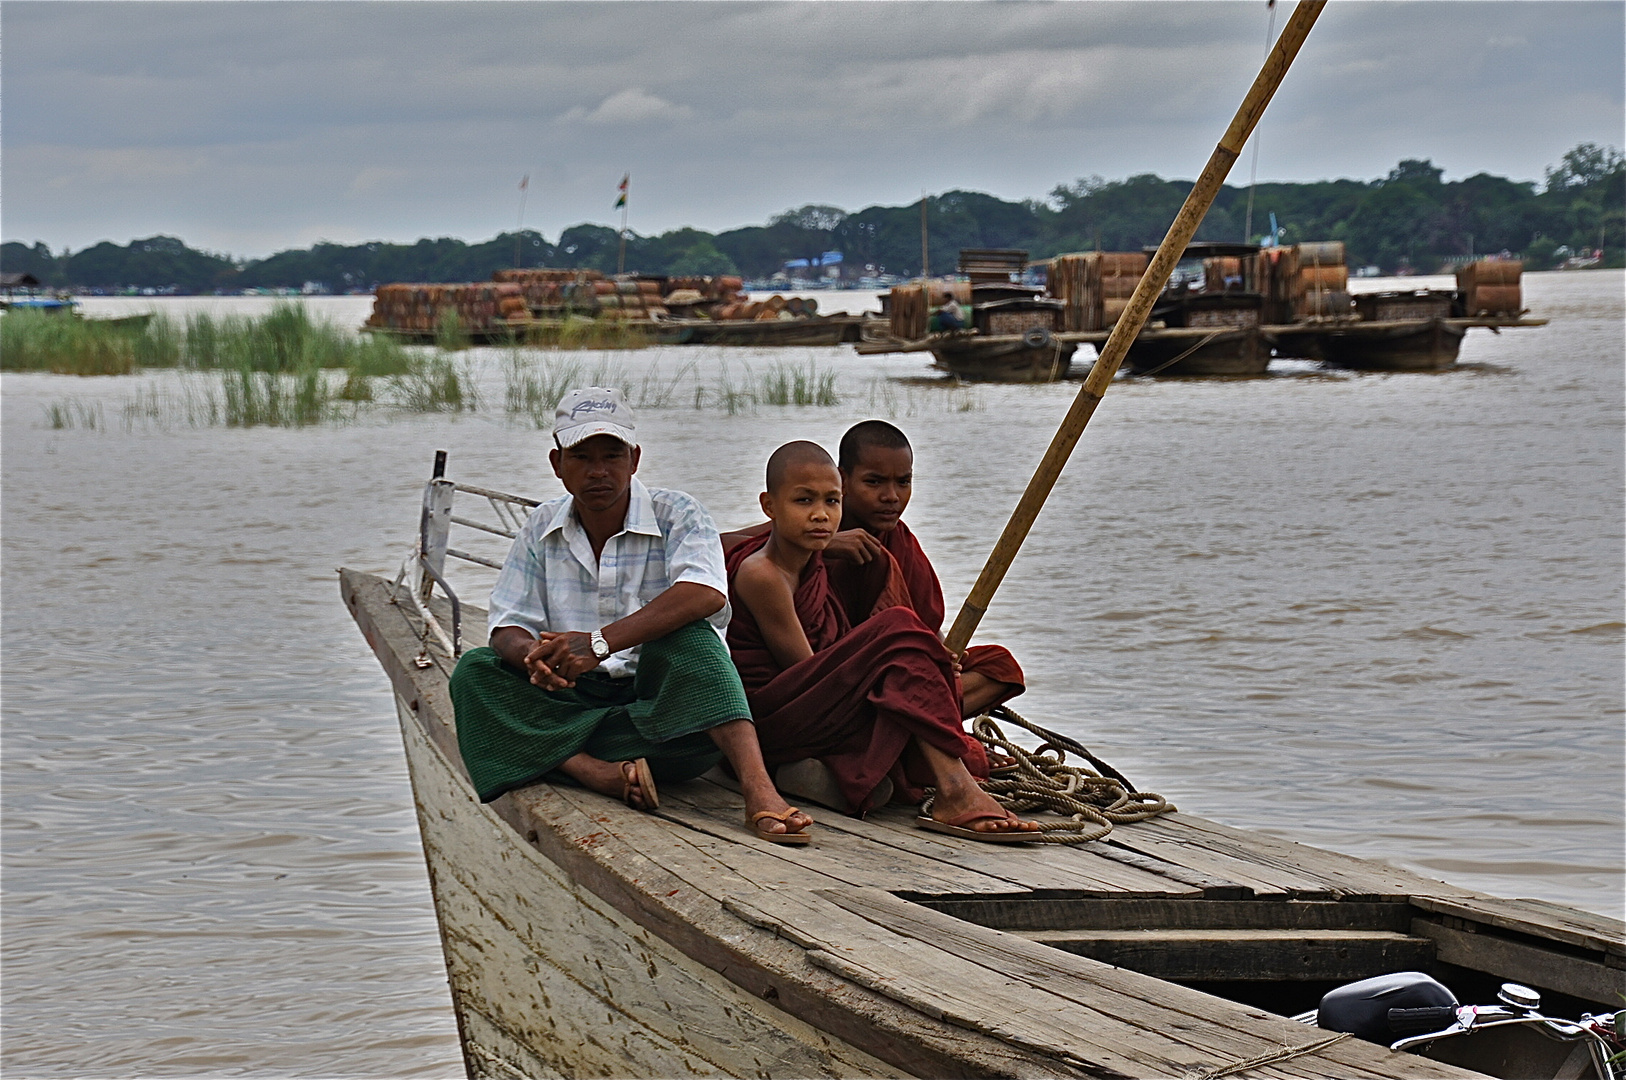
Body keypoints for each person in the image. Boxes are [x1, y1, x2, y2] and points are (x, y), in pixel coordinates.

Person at [448, 387, 813, 844]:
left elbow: (704, 594)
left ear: (634, 459)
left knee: (692, 639)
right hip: (575, 702)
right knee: (474, 673)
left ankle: (759, 788)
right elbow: (506, 622)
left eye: (611, 455)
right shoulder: (542, 525)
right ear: (558, 465)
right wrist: (536, 657)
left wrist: (597, 643)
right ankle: (593, 771)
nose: (598, 471)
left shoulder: (677, 512)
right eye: (581, 457)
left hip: (663, 717)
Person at [726, 440, 1039, 840]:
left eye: (831, 502)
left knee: (914, 652)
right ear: (769, 507)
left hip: (823, 701)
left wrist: (919, 662)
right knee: (898, 636)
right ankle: (955, 790)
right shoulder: (762, 574)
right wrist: (885, 669)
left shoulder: (815, 561)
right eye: (804, 501)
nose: (821, 515)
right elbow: (808, 674)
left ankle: (847, 767)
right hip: (779, 715)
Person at [833, 420, 1026, 719]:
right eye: (874, 482)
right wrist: (824, 546)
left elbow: (923, 621)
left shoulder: (900, 539)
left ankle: (922, 715)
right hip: (849, 674)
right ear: (842, 480)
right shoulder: (818, 532)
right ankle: (924, 722)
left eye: (903, 482)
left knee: (1000, 666)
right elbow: (751, 545)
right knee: (903, 688)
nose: (891, 496)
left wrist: (944, 656)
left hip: (908, 670)